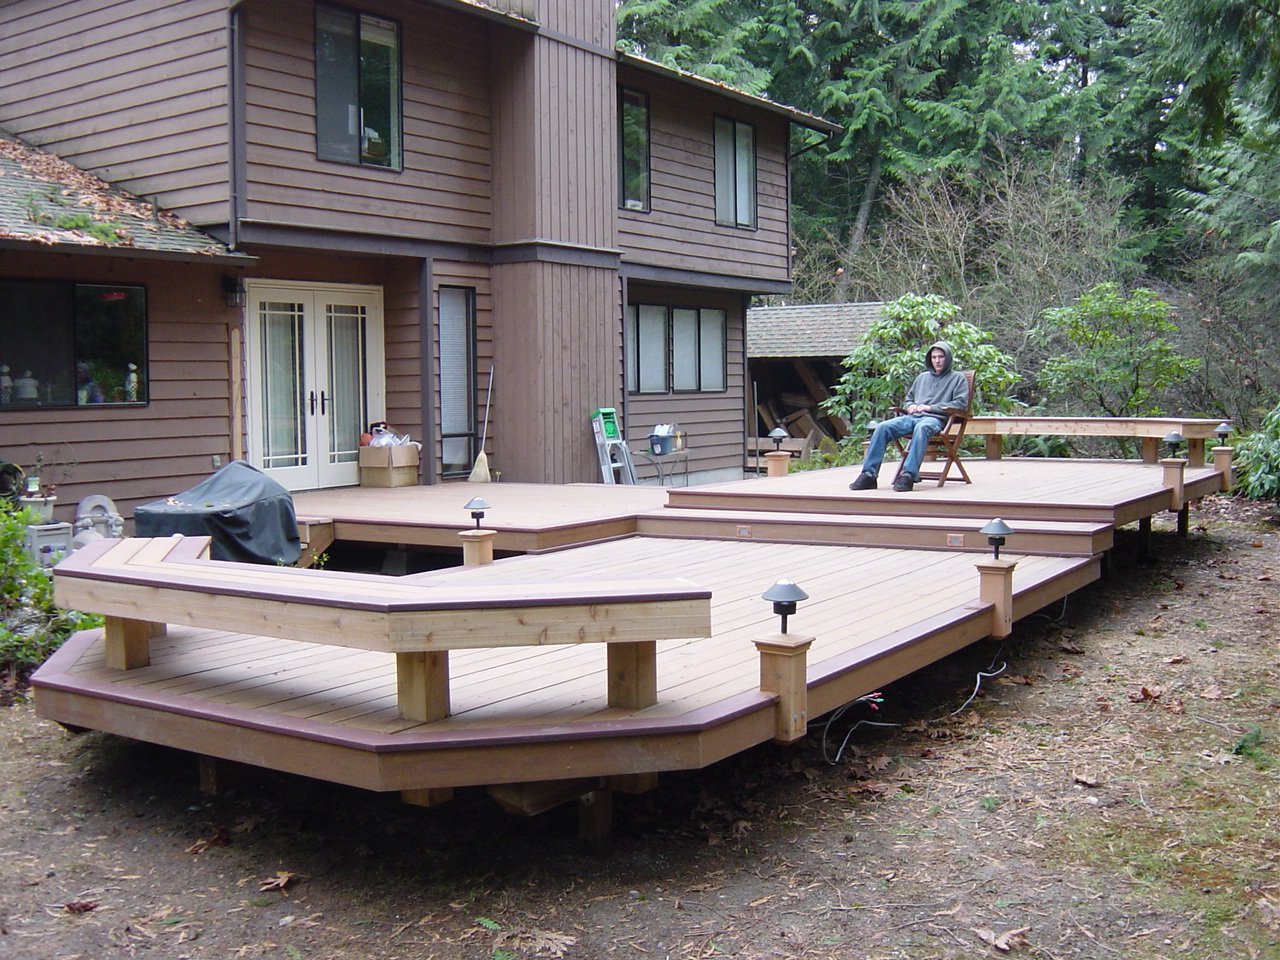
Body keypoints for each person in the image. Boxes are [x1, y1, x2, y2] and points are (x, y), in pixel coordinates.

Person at [848, 341, 970, 493]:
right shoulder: (922, 377)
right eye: (934, 357)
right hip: (912, 417)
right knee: (883, 427)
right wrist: (910, 406)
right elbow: (909, 399)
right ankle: (869, 475)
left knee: (922, 427)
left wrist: (930, 407)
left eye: (941, 357)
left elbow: (960, 404)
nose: (937, 361)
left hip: (935, 419)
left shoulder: (957, 378)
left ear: (948, 358)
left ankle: (908, 475)